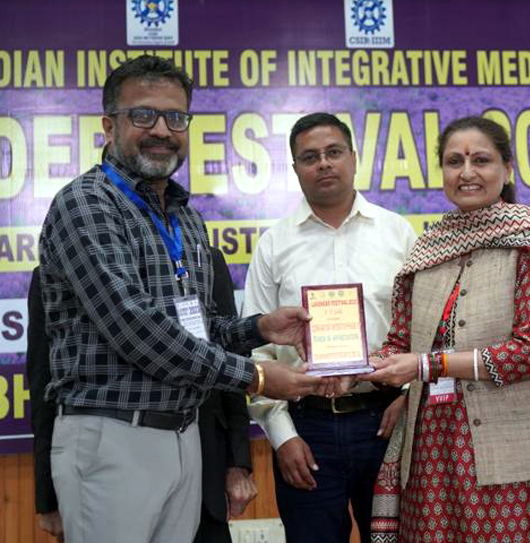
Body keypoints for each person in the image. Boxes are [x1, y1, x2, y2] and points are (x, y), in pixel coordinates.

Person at [38, 55, 322, 543]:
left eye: (176, 117)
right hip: (112, 436)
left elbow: (197, 327)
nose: (162, 130)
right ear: (110, 125)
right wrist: (255, 375)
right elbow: (136, 328)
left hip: (184, 434)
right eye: (143, 115)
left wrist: (259, 329)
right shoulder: (85, 203)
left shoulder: (185, 216)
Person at [361, 116, 530, 543]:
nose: (466, 172)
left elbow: (528, 353)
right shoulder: (428, 247)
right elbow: (400, 342)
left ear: (507, 169)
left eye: (481, 160)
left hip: (518, 453)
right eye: (453, 161)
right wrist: (351, 365)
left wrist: (425, 366)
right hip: (434, 456)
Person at [242, 112, 417, 543]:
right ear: (296, 168)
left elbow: (428, 331)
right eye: (309, 156)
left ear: (354, 159)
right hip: (308, 428)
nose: (323, 163)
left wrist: (411, 400)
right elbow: (256, 349)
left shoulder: (398, 234)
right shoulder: (275, 244)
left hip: (387, 421)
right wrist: (282, 437)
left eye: (333, 152)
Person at [27, 248, 258, 543]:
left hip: (203, 471)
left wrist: (239, 463)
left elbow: (230, 361)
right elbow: (44, 384)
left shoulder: (203, 258)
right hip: (110, 475)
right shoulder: (65, 270)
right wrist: (48, 496)